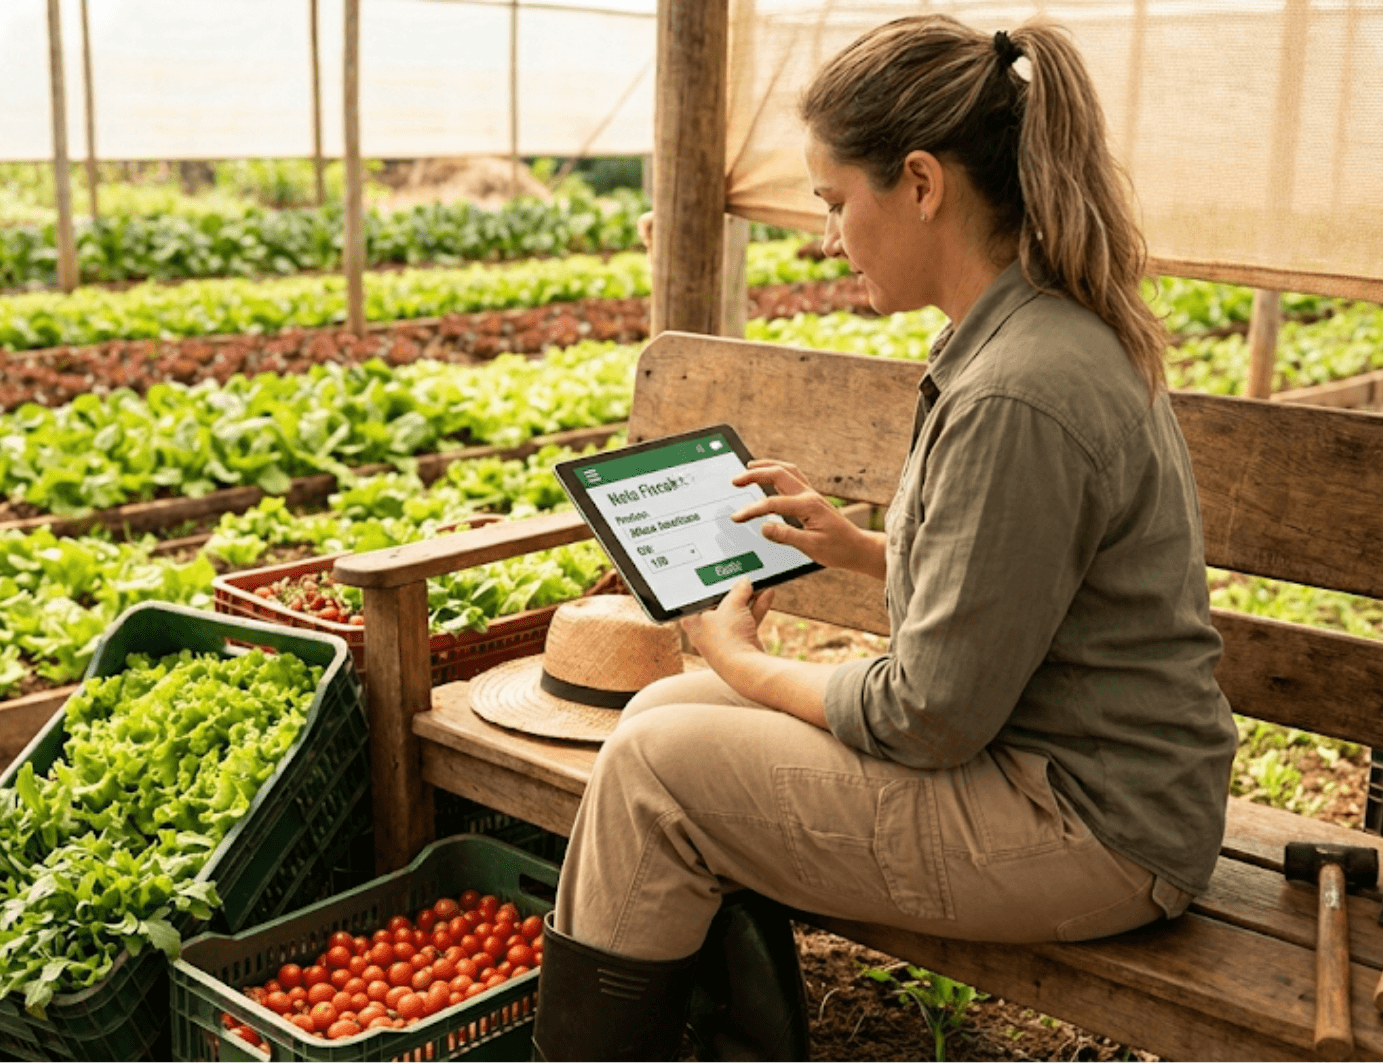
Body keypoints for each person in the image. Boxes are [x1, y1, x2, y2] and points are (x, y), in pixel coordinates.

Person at [530, 14, 1238, 1061]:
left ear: (918, 181)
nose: (826, 235)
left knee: (657, 762)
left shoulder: (1017, 387)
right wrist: (860, 550)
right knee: (674, 707)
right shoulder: (1023, 329)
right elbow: (1027, 585)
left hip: (1093, 827)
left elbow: (927, 714)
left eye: (833, 201)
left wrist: (740, 658)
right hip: (1083, 777)